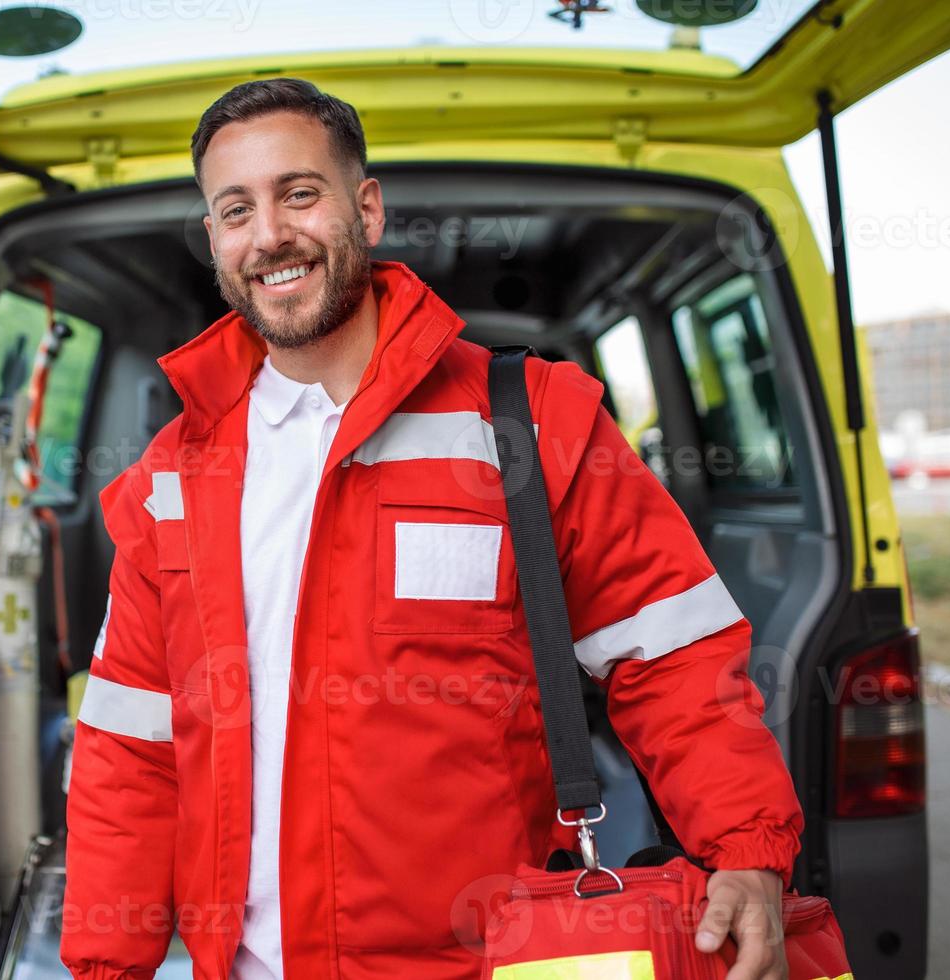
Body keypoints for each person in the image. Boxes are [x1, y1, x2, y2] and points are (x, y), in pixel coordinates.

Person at [61, 77, 803, 980]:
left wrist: (747, 850)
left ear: (365, 209)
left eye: (300, 193)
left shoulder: (532, 423)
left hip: (483, 963)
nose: (270, 235)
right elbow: (128, 752)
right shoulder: (171, 477)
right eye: (235, 209)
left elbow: (674, 659)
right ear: (214, 238)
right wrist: (106, 966)